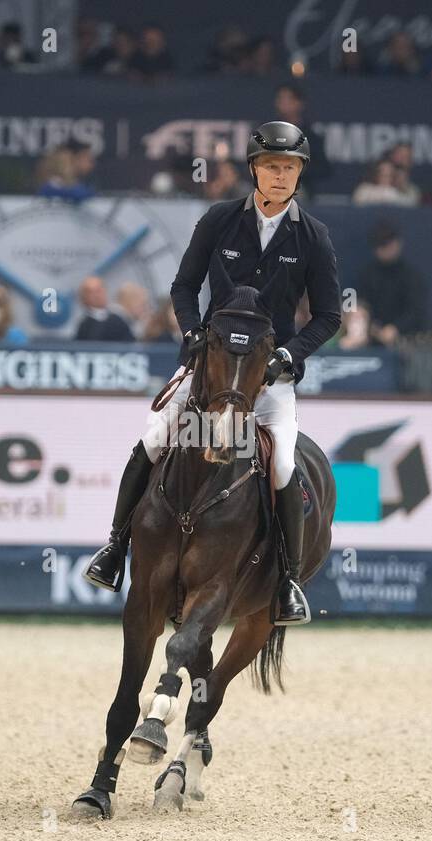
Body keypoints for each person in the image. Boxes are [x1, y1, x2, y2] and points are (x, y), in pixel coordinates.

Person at [82, 121, 341, 626]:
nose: (281, 176)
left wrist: (290, 354)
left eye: (289, 168)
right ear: (254, 170)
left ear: (299, 174)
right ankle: (114, 548)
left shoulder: (313, 236)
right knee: (154, 438)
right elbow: (183, 286)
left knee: (284, 464)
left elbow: (330, 315)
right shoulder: (220, 219)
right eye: (272, 167)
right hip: (209, 372)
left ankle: (286, 581)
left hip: (268, 380)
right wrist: (191, 332)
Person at [72, 277, 134, 341]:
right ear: (84, 297)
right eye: (91, 292)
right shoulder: (84, 326)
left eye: (99, 290)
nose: (97, 295)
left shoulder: (118, 319)